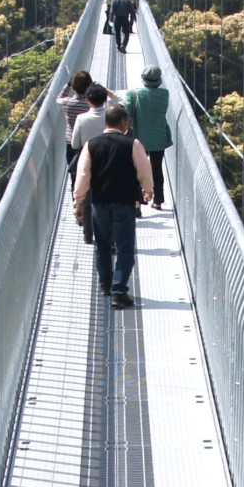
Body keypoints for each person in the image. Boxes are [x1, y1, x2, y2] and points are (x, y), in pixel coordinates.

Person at [76, 102, 153, 308]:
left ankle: (105, 285)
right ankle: (119, 292)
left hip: (99, 203)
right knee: (125, 248)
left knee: (102, 247)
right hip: (124, 202)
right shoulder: (132, 144)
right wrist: (148, 189)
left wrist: (79, 201)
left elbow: (83, 175)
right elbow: (144, 169)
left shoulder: (91, 145)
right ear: (123, 122)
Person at [70, 84, 113, 241]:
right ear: (105, 100)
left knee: (88, 200)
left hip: (87, 161)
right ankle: (109, 237)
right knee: (108, 199)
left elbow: (75, 144)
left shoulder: (81, 119)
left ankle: (88, 235)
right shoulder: (110, 116)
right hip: (109, 162)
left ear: (87, 100)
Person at [127, 66, 172, 209]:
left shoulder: (133, 94)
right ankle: (158, 201)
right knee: (157, 168)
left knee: (136, 169)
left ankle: (138, 202)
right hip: (159, 136)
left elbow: (127, 113)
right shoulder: (165, 93)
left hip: (139, 137)